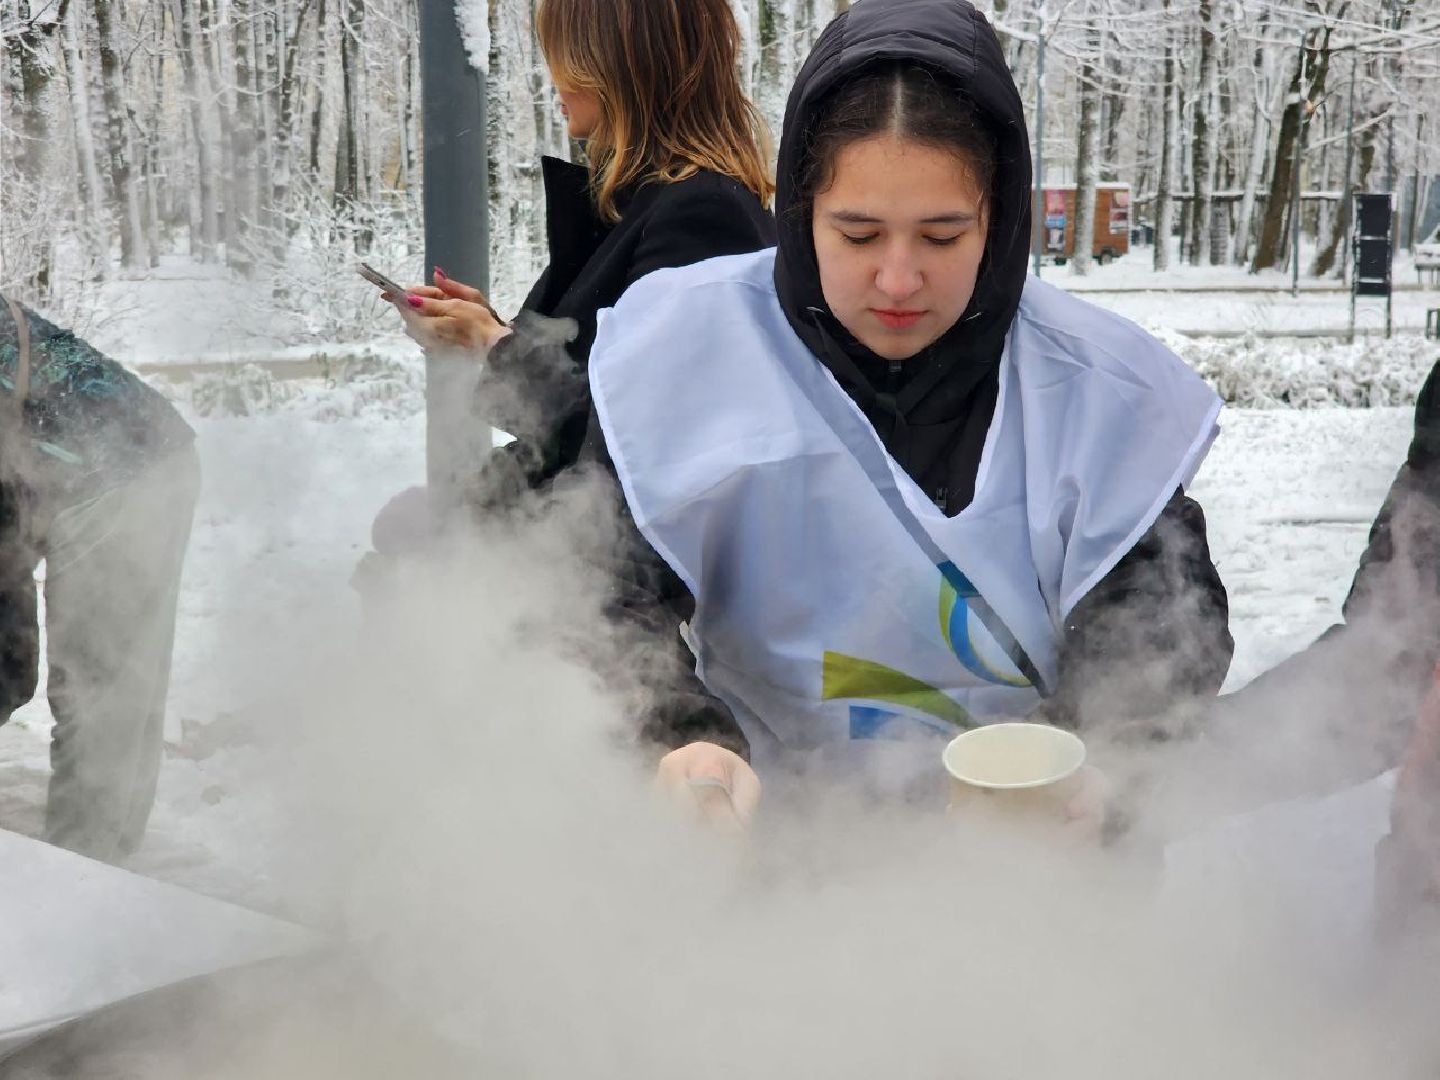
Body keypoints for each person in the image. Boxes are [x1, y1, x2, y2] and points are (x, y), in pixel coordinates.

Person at [584, 0, 1233, 825]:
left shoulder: (1098, 386)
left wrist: (1095, 759)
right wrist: (673, 740)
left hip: (1031, 862)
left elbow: (1164, 625)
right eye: (857, 235)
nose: (897, 281)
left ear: (997, 223)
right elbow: (598, 592)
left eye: (941, 236)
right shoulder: (688, 349)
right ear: (798, 213)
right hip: (766, 840)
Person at [359, 0, 776, 566]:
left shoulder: (702, 219)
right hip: (579, 544)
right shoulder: (649, 205)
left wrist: (494, 345)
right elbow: (601, 377)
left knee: (400, 563)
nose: (551, 74)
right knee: (402, 536)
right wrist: (486, 330)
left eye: (564, 55)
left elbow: (634, 446)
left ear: (618, 66)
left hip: (615, 585)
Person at [0, 293, 199, 861]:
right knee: (98, 689)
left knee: (97, 688)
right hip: (67, 475)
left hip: (127, 472)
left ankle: (85, 877)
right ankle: (92, 865)